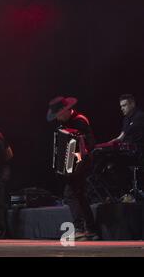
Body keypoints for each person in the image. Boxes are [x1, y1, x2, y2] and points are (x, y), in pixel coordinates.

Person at [47, 96, 99, 240]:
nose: (57, 119)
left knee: (70, 194)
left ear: (65, 111)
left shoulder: (80, 121)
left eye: (58, 115)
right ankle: (91, 229)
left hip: (83, 163)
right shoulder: (63, 125)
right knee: (79, 196)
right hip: (71, 166)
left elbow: (90, 143)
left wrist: (78, 151)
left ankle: (79, 228)